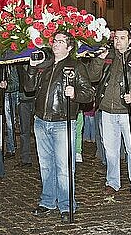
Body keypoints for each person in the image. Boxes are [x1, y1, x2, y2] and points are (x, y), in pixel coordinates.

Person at [23, 31, 94, 223]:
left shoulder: (76, 66)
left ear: (69, 47)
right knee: (46, 165)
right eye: (55, 41)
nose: (55, 44)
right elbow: (29, 88)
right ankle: (47, 201)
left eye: (61, 41)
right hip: (41, 121)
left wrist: (75, 93)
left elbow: (89, 95)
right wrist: (31, 68)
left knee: (64, 167)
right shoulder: (44, 65)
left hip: (63, 122)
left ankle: (66, 204)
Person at [87, 28, 131, 199]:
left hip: (129, 111)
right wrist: (98, 60)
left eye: (122, 38)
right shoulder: (108, 58)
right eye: (116, 38)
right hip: (107, 110)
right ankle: (112, 182)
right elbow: (93, 76)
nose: (118, 41)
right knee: (110, 149)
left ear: (129, 41)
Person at [16, 63, 35, 168]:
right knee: (24, 130)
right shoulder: (19, 61)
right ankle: (25, 158)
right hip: (23, 98)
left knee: (41, 130)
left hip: (37, 97)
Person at [0, 64, 19, 158]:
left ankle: (13, 146)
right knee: (10, 123)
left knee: (12, 123)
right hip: (8, 93)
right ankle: (11, 147)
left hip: (17, 93)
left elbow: (17, 82)